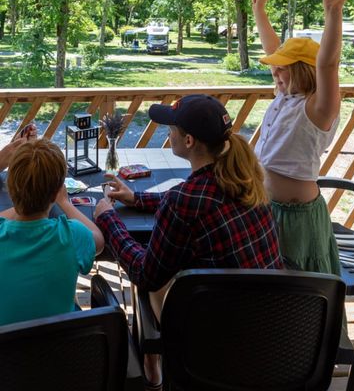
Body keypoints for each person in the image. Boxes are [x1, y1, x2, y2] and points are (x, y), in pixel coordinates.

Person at [94, 94, 283, 389]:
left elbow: (145, 273)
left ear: (189, 141)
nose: (168, 134)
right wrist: (136, 198)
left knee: (156, 279)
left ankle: (150, 366)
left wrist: (108, 217)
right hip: (270, 332)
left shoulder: (187, 200)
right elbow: (189, 199)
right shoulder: (244, 180)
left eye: (172, 129)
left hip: (214, 345)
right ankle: (153, 365)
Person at [251, 0, 347, 275]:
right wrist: (259, 12)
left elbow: (328, 65)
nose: (275, 72)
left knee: (298, 287)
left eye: (282, 67)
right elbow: (272, 48)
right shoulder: (285, 96)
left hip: (298, 219)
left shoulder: (318, 108)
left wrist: (333, 14)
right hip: (266, 209)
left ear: (303, 70)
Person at [0, 138, 104, 326]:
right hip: (61, 350)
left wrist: (24, 199)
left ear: (11, 187)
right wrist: (64, 202)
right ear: (57, 191)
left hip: (8, 353)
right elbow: (98, 241)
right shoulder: (72, 235)